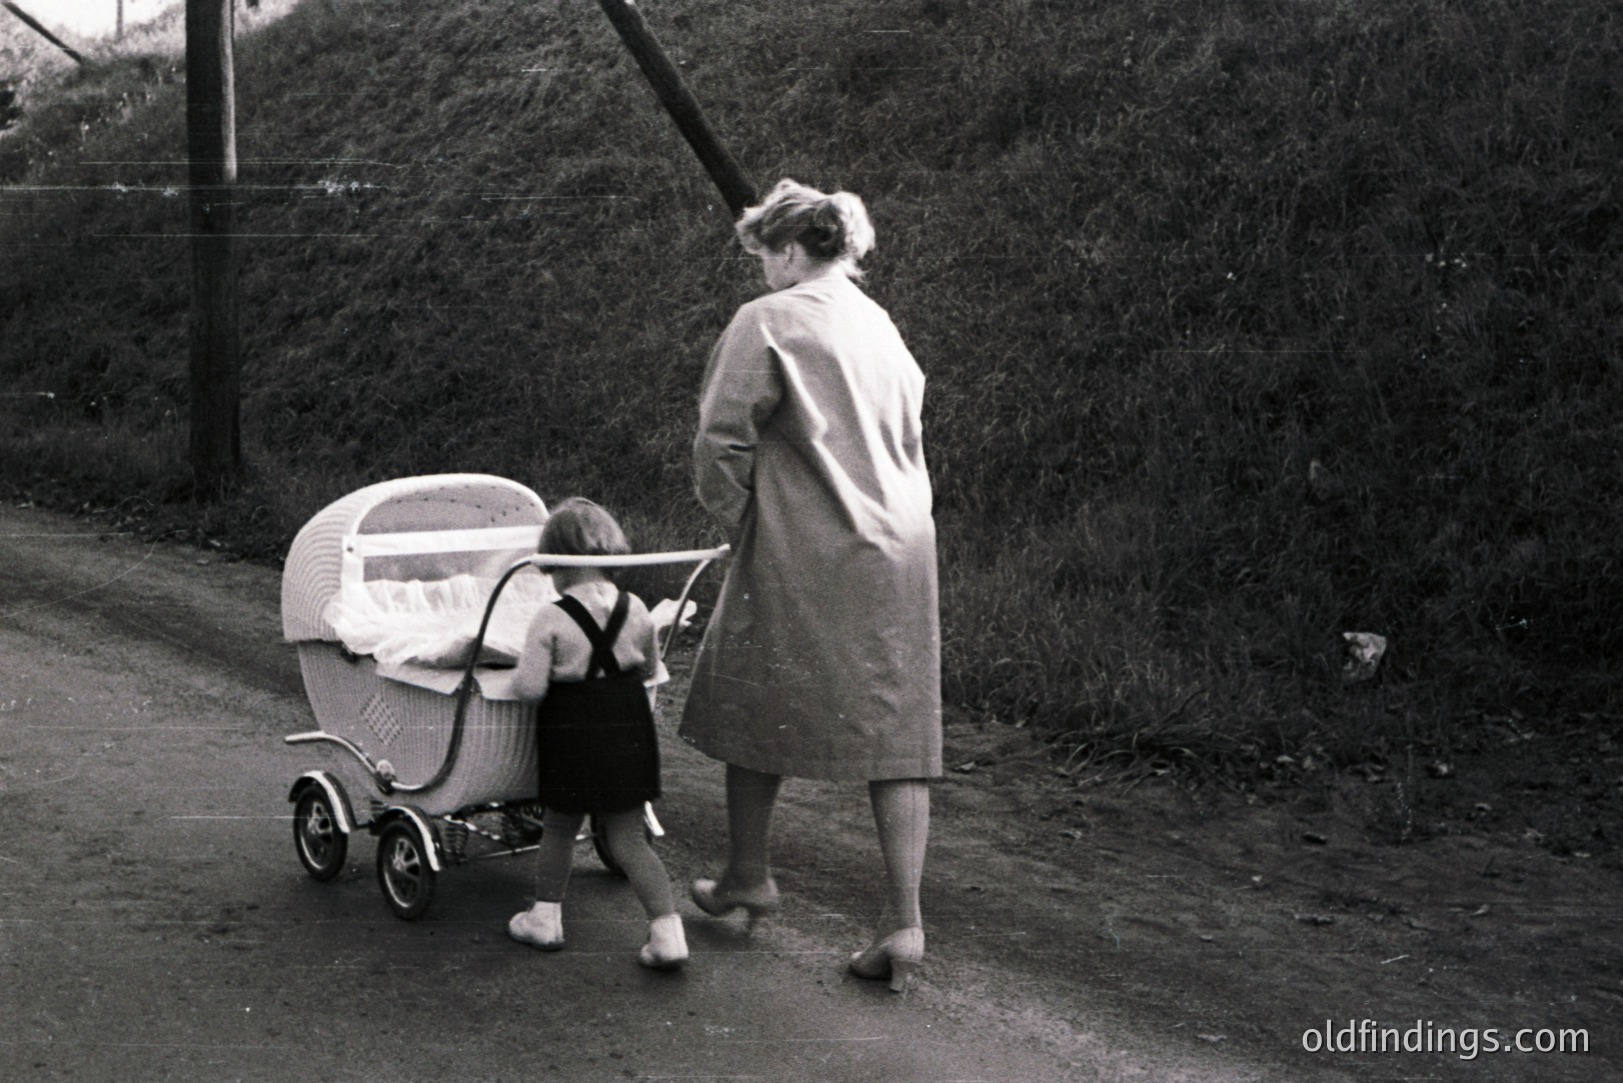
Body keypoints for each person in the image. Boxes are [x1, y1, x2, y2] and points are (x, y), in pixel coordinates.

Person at [679, 178, 942, 993]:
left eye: (763, 251)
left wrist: (746, 520)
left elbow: (720, 442)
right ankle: (902, 920)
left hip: (807, 542)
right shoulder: (879, 323)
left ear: (791, 249)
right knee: (896, 723)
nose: (760, 266)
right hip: (902, 543)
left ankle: (748, 874)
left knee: (751, 690)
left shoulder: (768, 320)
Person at [507, 497, 687, 971]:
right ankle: (667, 931)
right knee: (628, 837)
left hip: (572, 731)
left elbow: (528, 689)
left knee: (561, 826)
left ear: (556, 562)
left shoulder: (551, 617)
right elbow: (650, 667)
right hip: (628, 726)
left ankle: (545, 917)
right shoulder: (637, 608)